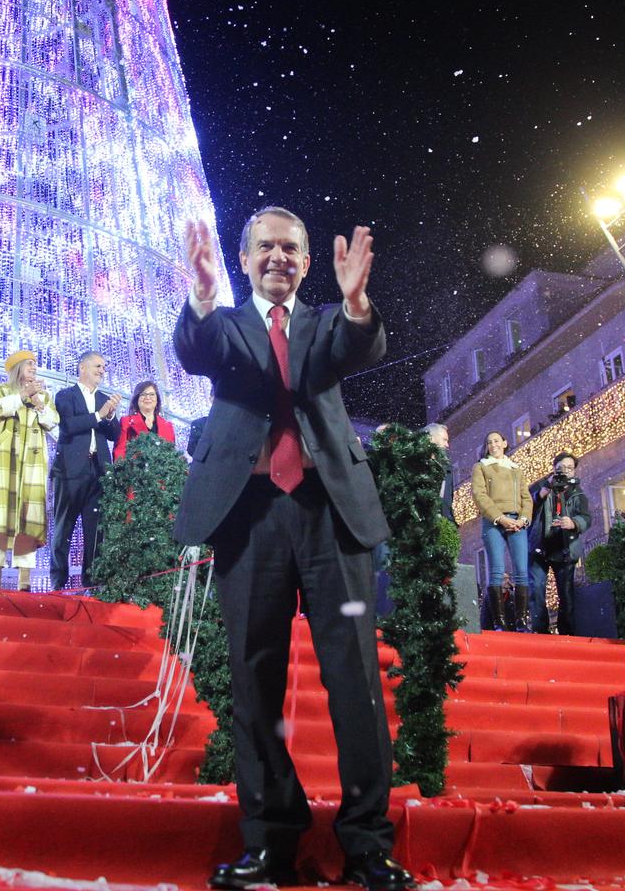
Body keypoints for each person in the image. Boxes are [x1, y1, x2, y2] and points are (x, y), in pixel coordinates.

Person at [174, 209, 411, 891]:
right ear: (244, 259)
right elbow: (197, 350)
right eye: (265, 248)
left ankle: (368, 844)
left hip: (330, 514)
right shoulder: (223, 325)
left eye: (290, 249)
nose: (278, 257)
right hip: (248, 517)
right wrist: (200, 292)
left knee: (356, 684)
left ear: (307, 264)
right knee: (257, 685)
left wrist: (358, 302)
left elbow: (354, 346)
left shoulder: (325, 324)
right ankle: (271, 842)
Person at [0, 349, 59, 592]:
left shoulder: (44, 395)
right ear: (17, 369)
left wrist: (38, 404)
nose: (34, 368)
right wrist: (23, 394)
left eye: (35, 365)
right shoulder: (0, 390)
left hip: (32, 460)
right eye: (29, 364)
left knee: (28, 516)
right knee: (0, 515)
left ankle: (25, 578)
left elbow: (51, 421)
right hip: (5, 458)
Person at [47, 351, 121, 591]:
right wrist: (99, 415)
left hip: (98, 471)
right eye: (98, 366)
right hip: (69, 471)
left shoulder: (104, 399)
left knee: (96, 531)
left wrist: (109, 417)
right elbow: (68, 426)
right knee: (63, 527)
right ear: (82, 367)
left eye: (104, 367)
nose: (102, 370)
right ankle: (58, 582)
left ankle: (92, 582)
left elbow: (114, 434)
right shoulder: (65, 395)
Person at [472, 430, 532, 632]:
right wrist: (501, 518)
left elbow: (526, 497)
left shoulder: (516, 469)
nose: (493, 444)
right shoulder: (481, 467)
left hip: (517, 521)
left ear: (505, 443)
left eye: (497, 441)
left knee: (522, 571)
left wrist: (523, 518)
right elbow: (480, 496)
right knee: (496, 570)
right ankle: (499, 622)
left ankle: (522, 621)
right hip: (494, 520)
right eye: (489, 442)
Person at [527, 452, 591, 636]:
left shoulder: (578, 492)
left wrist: (573, 523)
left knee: (566, 594)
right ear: (554, 468)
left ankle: (568, 634)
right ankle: (540, 632)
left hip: (564, 548)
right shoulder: (542, 485)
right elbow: (527, 506)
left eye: (570, 468)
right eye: (561, 468)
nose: (565, 472)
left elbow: (587, 517)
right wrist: (542, 492)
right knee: (537, 590)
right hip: (540, 546)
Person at [113, 380, 176, 459]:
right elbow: (120, 452)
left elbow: (173, 456)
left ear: (157, 400)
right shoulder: (126, 422)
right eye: (143, 394)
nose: (148, 397)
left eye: (152, 394)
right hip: (134, 470)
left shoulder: (168, 426)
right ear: (137, 399)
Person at [425, 422, 454, 522]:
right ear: (431, 439)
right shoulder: (416, 467)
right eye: (444, 440)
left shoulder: (447, 469)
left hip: (446, 525)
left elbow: (447, 502)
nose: (447, 445)